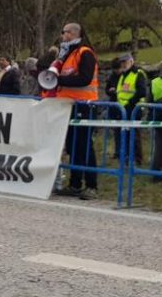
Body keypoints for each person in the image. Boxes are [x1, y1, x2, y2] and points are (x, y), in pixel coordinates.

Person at [54, 22, 100, 201]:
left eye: (64, 32)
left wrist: (61, 80)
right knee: (72, 146)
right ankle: (74, 184)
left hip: (84, 105)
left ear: (72, 34)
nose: (62, 36)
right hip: (69, 106)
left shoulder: (85, 53)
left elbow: (85, 79)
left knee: (85, 146)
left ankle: (91, 185)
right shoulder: (67, 53)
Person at [112, 54, 146, 164]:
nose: (123, 64)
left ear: (131, 61)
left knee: (134, 134)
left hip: (133, 108)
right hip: (122, 108)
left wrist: (129, 103)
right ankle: (127, 157)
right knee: (125, 134)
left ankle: (137, 158)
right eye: (122, 62)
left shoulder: (138, 74)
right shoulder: (123, 75)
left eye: (125, 62)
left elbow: (142, 92)